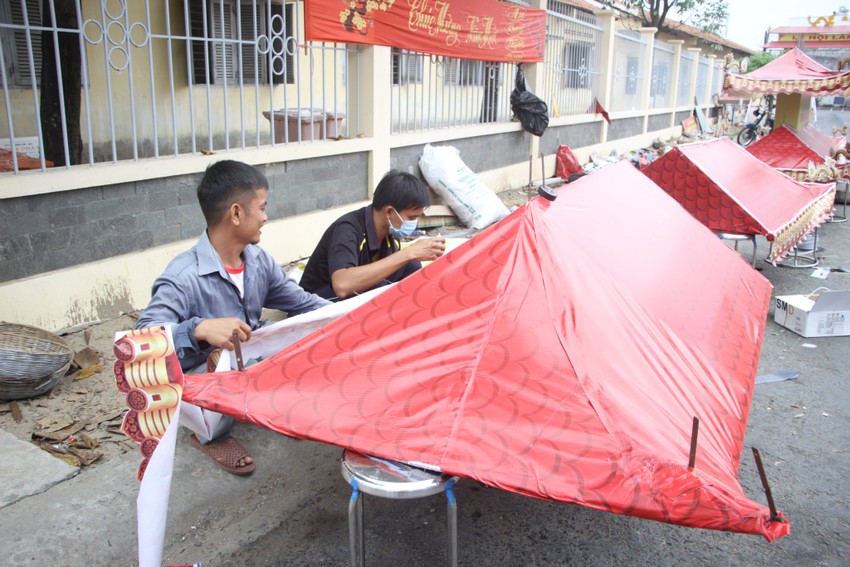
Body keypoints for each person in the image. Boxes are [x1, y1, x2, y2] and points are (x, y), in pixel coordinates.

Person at [134, 160, 330, 475]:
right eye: (262, 208)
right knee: (218, 364)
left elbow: (303, 304)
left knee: (299, 336)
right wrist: (197, 329)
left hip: (247, 356)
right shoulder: (184, 276)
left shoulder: (258, 261)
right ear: (237, 213)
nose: (266, 217)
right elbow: (142, 338)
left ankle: (252, 395)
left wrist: (356, 313)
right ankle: (209, 434)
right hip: (202, 375)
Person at [299, 170, 446, 300]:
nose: (414, 223)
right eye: (412, 217)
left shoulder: (389, 233)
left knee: (410, 267)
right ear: (389, 212)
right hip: (316, 304)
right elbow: (342, 285)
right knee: (378, 285)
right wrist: (408, 253)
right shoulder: (347, 229)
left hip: (350, 296)